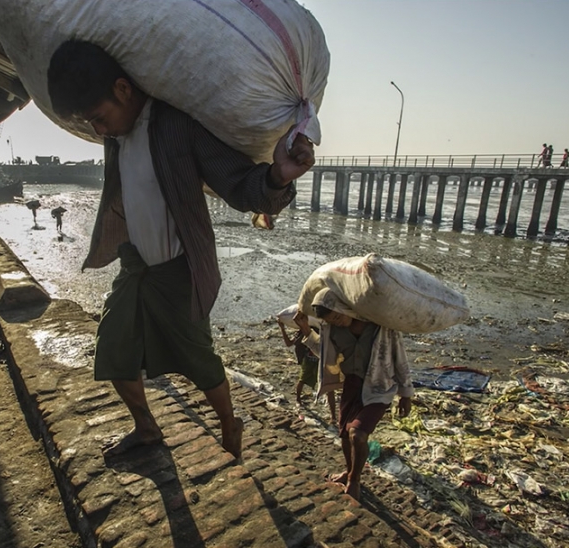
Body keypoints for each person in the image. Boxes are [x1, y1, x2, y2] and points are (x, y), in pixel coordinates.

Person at [46, 40, 314, 459]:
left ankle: (230, 424)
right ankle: (147, 427)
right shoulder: (115, 137)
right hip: (136, 267)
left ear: (122, 89)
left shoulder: (176, 126)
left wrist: (278, 177)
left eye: (99, 118)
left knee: (198, 361)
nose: (98, 130)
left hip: (179, 268)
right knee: (113, 349)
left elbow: (238, 185)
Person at [293, 287, 414, 501]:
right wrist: (305, 330)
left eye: (339, 316)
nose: (338, 322)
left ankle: (355, 480)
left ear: (345, 307)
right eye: (333, 320)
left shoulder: (381, 327)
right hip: (352, 385)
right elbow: (324, 352)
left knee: (358, 435)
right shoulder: (333, 329)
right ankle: (348, 472)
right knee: (345, 436)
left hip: (379, 387)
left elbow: (399, 357)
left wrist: (406, 393)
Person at [277, 318, 338, 421]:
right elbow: (289, 343)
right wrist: (282, 328)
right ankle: (298, 400)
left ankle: (333, 416)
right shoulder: (304, 331)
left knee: (329, 387)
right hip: (310, 360)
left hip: (322, 361)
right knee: (303, 380)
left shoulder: (325, 330)